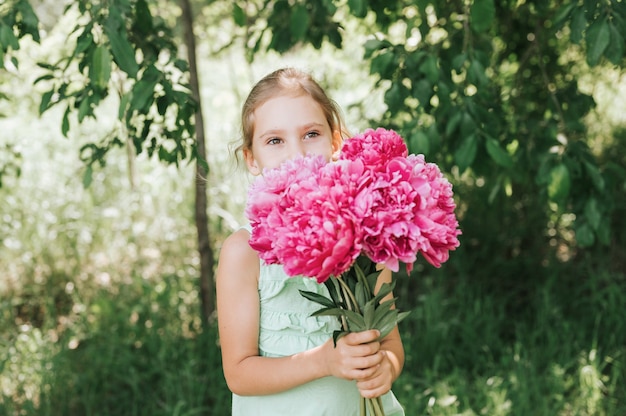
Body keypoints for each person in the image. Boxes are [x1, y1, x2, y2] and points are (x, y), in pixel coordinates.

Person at [216, 67, 405, 415]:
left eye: (311, 134)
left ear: (335, 143)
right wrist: (323, 361)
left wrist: (387, 368)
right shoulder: (244, 252)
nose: (297, 155)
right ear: (251, 158)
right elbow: (239, 373)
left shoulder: (364, 234)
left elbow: (389, 342)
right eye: (275, 140)